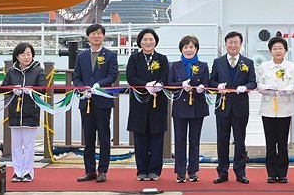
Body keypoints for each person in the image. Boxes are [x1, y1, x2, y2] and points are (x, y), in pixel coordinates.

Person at [208, 31, 257, 184]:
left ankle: (240, 172)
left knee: (240, 140)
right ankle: (222, 172)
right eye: (230, 42)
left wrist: (245, 87)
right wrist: (218, 86)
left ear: (240, 44)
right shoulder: (218, 62)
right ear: (226, 44)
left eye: (236, 42)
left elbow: (253, 82)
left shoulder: (248, 63)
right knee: (222, 140)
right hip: (222, 106)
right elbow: (211, 82)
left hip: (240, 107)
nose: (233, 45)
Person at [72, 23, 118, 183]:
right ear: (88, 37)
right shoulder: (81, 56)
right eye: (93, 34)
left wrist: (99, 85)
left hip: (102, 101)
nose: (96, 36)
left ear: (103, 36)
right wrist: (81, 88)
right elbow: (76, 77)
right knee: (88, 138)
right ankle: (89, 170)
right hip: (86, 101)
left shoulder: (110, 55)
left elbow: (112, 76)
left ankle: (103, 170)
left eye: (99, 33)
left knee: (104, 137)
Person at [125, 28, 169, 181]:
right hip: (139, 103)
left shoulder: (162, 59)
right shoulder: (134, 58)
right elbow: (130, 77)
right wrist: (146, 84)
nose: (148, 42)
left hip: (158, 102)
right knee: (140, 138)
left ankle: (155, 170)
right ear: (140, 42)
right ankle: (141, 170)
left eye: (151, 39)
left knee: (157, 138)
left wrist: (158, 84)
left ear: (155, 41)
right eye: (145, 39)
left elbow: (165, 76)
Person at [168, 35, 210, 183]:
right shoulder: (175, 65)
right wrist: (181, 84)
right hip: (180, 107)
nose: (188, 50)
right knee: (179, 140)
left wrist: (202, 87)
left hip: (198, 107)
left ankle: (193, 171)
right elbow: (169, 85)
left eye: (191, 47)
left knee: (194, 140)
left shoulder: (203, 65)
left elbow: (207, 84)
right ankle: (180, 171)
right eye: (185, 47)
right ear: (181, 49)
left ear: (196, 49)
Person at [257, 36, 294, 183]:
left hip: (284, 108)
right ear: (270, 51)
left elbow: (293, 86)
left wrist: (284, 90)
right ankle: (271, 173)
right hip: (268, 109)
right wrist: (268, 88)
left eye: (280, 48)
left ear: (285, 50)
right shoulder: (264, 66)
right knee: (270, 143)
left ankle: (282, 173)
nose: (278, 51)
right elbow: (259, 85)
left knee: (282, 143)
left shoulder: (291, 66)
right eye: (274, 48)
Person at [3, 42, 45, 182]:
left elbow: (43, 89)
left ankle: (28, 172)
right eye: (23, 54)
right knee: (15, 145)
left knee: (28, 145)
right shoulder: (11, 71)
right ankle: (17, 171)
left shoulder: (39, 70)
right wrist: (12, 88)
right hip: (15, 111)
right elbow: (3, 88)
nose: (27, 57)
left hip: (30, 111)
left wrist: (31, 90)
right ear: (17, 56)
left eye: (29, 54)